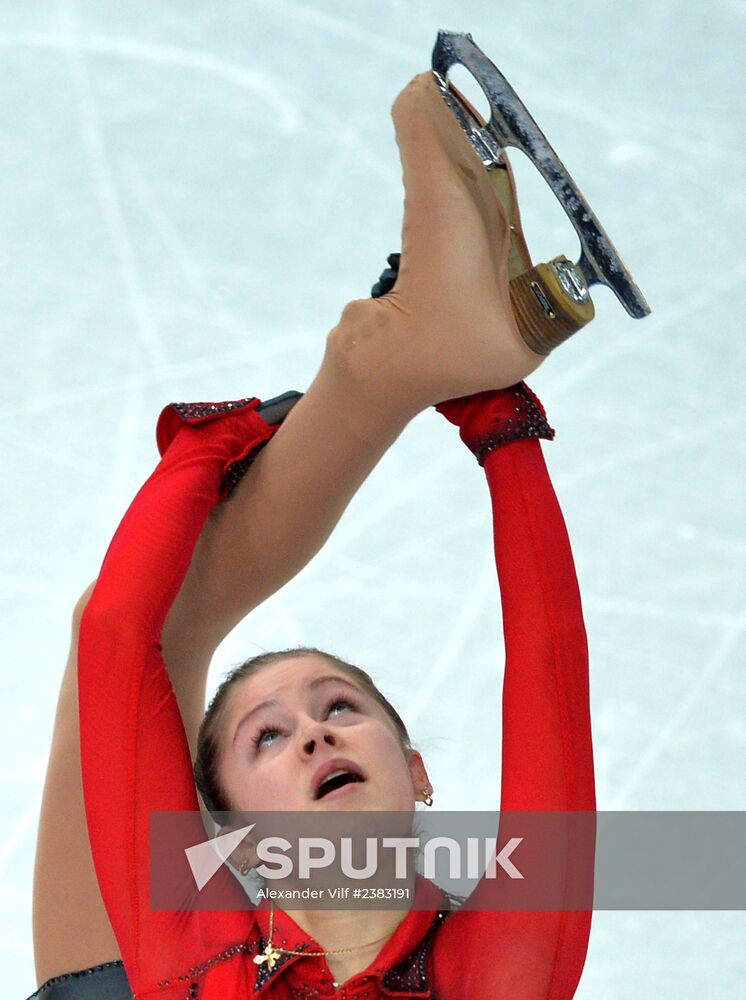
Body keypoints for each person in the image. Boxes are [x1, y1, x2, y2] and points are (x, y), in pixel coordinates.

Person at [29, 70, 595, 999]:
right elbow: (551, 674)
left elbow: (116, 641)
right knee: (148, 617)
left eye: (335, 711)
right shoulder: (497, 975)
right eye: (276, 734)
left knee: (133, 628)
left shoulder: (190, 952)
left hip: (119, 981)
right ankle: (410, 346)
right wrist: (503, 433)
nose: (312, 738)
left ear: (415, 772)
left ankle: (406, 345)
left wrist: (205, 452)